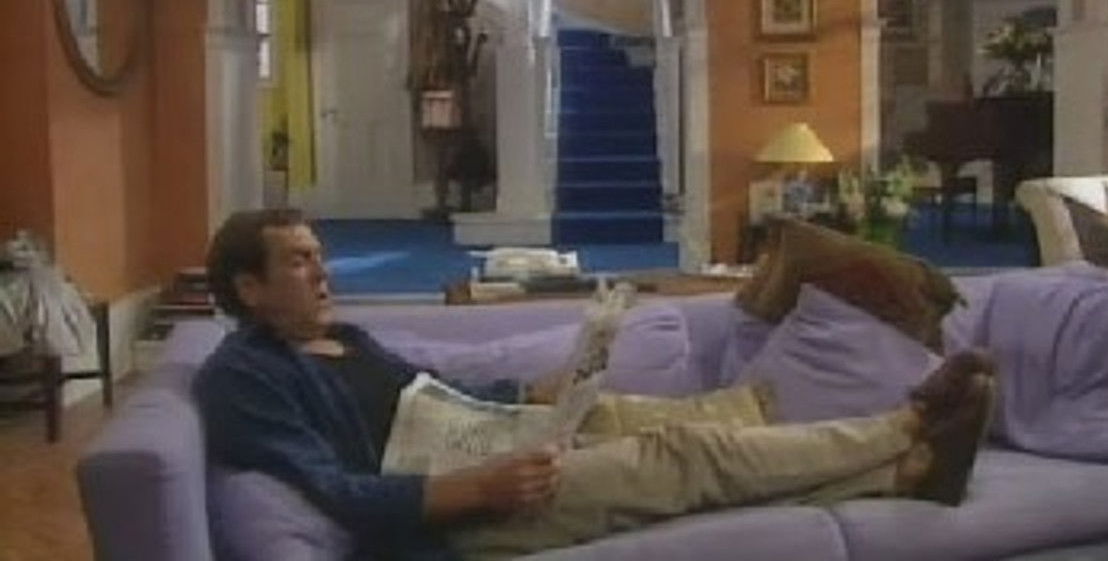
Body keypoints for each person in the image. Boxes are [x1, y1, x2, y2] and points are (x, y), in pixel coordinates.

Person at [194, 209, 996, 561]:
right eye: (298, 262)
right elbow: (338, 491)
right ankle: (902, 428)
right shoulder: (244, 379)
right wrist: (479, 489)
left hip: (483, 449)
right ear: (250, 288)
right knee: (683, 455)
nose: (322, 272)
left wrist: (532, 397)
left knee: (674, 412)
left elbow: (433, 396)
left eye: (319, 255)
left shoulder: (344, 338)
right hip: (458, 518)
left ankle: (904, 474)